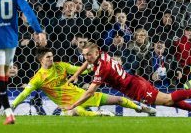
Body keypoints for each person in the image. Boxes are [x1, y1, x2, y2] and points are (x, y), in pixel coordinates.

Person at [65, 42, 191, 117]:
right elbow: (87, 63)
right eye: (85, 55)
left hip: (136, 88)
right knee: (168, 101)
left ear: (96, 52)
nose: (87, 58)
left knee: (168, 99)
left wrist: (74, 104)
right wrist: (76, 74)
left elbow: (90, 92)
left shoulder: (102, 69)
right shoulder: (102, 55)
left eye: (89, 55)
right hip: (135, 82)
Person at [11, 47, 156, 117]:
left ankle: (142, 108)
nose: (51, 59)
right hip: (67, 105)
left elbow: (78, 69)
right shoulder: (38, 78)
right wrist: (13, 105)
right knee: (75, 111)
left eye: (52, 56)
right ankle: (100, 114)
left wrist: (91, 68)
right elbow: (25, 93)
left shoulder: (61, 66)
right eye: (48, 57)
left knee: (118, 99)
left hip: (81, 94)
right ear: (40, 60)